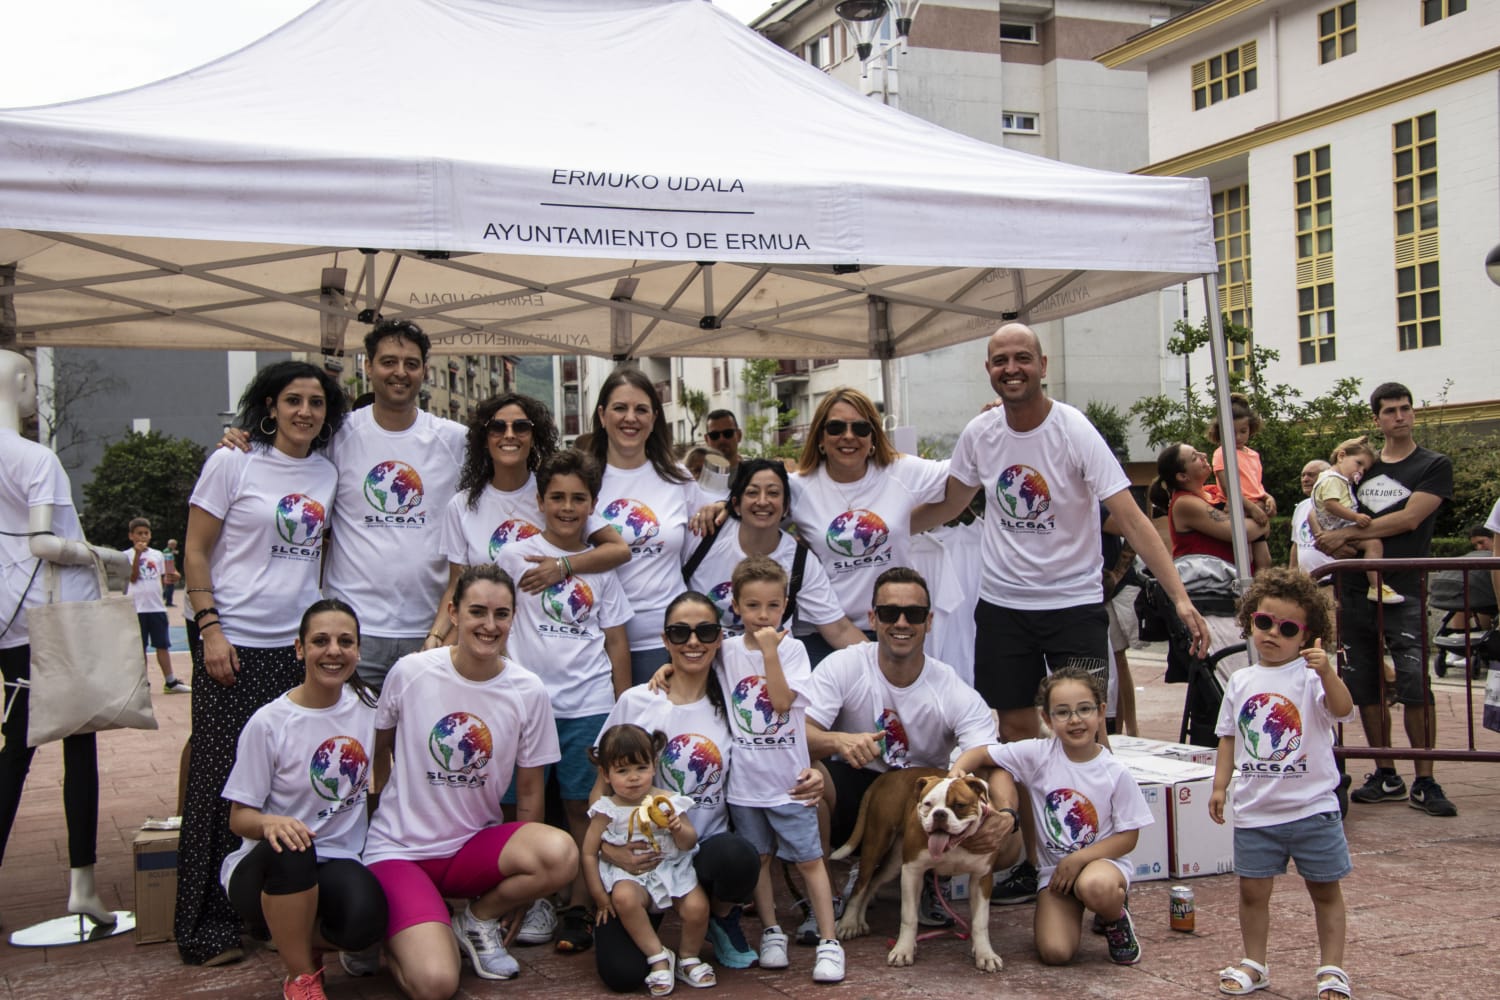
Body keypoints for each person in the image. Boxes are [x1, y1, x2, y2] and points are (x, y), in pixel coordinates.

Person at [914, 324, 1207, 898]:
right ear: (989, 370)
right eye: (1001, 360)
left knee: (1087, 732)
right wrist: (885, 526)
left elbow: (1129, 515)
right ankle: (1030, 854)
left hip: (1073, 602)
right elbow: (952, 500)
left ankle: (1098, 853)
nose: (1012, 368)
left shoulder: (1073, 429)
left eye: (1022, 358)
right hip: (1002, 605)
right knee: (1017, 730)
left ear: (1043, 365)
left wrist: (1180, 595)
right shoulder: (980, 434)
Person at [177, 360, 345, 966]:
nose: (305, 411)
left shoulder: (327, 472)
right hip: (233, 646)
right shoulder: (233, 462)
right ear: (269, 406)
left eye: (317, 403)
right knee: (218, 784)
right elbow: (195, 551)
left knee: (281, 786)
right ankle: (203, 927)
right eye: (293, 400)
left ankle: (267, 908)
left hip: (294, 651)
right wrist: (210, 629)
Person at [362, 565, 578, 996]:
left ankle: (476, 920)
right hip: (401, 852)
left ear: (514, 617)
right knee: (437, 983)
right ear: (453, 613)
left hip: (470, 850)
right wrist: (382, 806)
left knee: (561, 853)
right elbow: (378, 747)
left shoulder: (528, 690)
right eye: (477, 611)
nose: (489, 625)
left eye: (502, 614)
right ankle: (388, 934)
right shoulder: (410, 672)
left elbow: (531, 791)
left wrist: (517, 898)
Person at [220, 320, 469, 692]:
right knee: (351, 746)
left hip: (428, 631)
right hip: (352, 632)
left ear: (425, 371)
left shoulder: (456, 440)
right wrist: (246, 437)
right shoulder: (336, 434)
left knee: (417, 749)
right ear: (367, 367)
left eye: (411, 363)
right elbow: (285, 456)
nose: (400, 372)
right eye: (388, 362)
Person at [593, 592, 823, 985]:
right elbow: (599, 791)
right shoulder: (638, 701)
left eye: (705, 631)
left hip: (702, 850)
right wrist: (608, 849)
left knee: (740, 857)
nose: (693, 642)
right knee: (624, 977)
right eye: (679, 633)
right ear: (665, 641)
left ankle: (718, 916)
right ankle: (658, 943)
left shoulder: (732, 703)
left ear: (720, 639)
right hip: (642, 857)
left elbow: (781, 740)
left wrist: (815, 769)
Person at [805, 567, 1013, 924]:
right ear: (872, 617)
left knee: (1010, 843)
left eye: (914, 614)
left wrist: (1008, 816)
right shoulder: (844, 665)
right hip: (855, 783)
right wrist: (837, 739)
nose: (901, 623)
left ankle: (933, 874)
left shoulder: (949, 685)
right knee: (810, 776)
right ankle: (823, 897)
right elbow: (795, 734)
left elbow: (995, 758)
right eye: (889, 613)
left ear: (929, 621)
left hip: (927, 795)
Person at [0, 349, 126, 930]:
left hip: (9, 623)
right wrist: (107, 556)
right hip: (57, 621)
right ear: (22, 382)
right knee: (77, 749)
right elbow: (44, 544)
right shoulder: (35, 458)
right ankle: (82, 882)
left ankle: (83, 884)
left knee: (14, 754)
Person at [494, 448, 631, 953]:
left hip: (589, 704)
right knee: (516, 810)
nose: (567, 508)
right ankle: (523, 903)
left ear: (592, 505)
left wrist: (619, 707)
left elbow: (615, 640)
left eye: (578, 499)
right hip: (526, 707)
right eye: (557, 498)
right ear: (540, 500)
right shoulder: (515, 556)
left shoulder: (600, 569)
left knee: (582, 808)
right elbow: (500, 626)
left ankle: (578, 906)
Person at [220, 600, 387, 1000]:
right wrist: (269, 822)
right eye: (320, 641)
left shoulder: (369, 709)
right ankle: (301, 977)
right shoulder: (269, 723)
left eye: (345, 641)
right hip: (267, 866)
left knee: (366, 924)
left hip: (337, 858)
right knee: (294, 843)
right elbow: (239, 818)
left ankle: (297, 933)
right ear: (299, 649)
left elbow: (384, 767)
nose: (334, 651)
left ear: (358, 651)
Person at [1209, 568, 1355, 1000]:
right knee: (1252, 891)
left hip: (1312, 808)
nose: (1273, 633)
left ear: (1309, 636)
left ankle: (1332, 968)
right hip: (1256, 809)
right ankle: (1255, 962)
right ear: (1250, 619)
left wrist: (1327, 671)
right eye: (1264, 622)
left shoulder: (1310, 677)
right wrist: (1220, 786)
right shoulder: (1240, 679)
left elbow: (1343, 710)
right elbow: (1228, 737)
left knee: (1325, 890)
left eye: (1288, 628)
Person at [950, 666, 1152, 968]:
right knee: (1055, 953)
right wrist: (955, 774)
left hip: (1100, 866)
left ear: (1100, 712)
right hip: (1055, 876)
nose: (1075, 720)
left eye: (1084, 710)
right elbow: (982, 754)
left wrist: (1079, 859)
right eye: (1063, 712)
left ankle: (1115, 917)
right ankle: (1074, 908)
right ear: (1047, 719)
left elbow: (1129, 837)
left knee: (1095, 886)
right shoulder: (1039, 754)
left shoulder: (1114, 772)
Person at [1315, 382, 1454, 816]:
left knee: (1414, 683)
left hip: (1405, 588)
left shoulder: (1433, 464)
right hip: (1355, 588)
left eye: (1406, 408)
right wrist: (1332, 540)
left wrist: (1350, 533)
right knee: (1366, 685)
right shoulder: (1363, 468)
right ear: (1376, 419)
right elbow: (1325, 509)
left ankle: (1425, 778)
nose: (1400, 416)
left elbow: (1410, 519)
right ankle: (1386, 772)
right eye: (1390, 410)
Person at [718, 557, 843, 983]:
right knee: (759, 860)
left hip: (788, 783)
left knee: (810, 860)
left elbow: (782, 702)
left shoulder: (792, 649)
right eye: (752, 606)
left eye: (773, 605)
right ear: (735, 605)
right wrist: (664, 670)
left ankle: (829, 940)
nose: (763, 615)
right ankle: (772, 931)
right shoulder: (727, 650)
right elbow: (693, 670)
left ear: (786, 604)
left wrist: (770, 652)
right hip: (746, 785)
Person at [432, 393, 629, 664]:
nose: (509, 435)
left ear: (535, 436)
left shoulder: (556, 493)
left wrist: (562, 566)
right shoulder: (463, 505)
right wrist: (436, 637)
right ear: (484, 437)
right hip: (493, 646)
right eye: (498, 427)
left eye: (521, 427)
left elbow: (618, 550)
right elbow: (457, 584)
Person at [786, 387, 949, 664]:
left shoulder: (901, 472)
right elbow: (754, 510)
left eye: (860, 428)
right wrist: (719, 507)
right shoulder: (798, 487)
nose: (848, 436)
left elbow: (966, 474)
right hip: (821, 634)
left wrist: (994, 423)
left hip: (892, 626)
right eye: (836, 427)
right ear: (821, 438)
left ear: (873, 437)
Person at [588, 369, 715, 685]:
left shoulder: (678, 478)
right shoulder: (582, 479)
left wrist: (721, 506)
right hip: (593, 642)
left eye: (641, 409)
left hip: (667, 641)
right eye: (620, 408)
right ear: (602, 415)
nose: (630, 418)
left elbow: (711, 531)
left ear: (655, 418)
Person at [582, 724, 712, 995]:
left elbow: (689, 842)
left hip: (671, 869)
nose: (633, 778)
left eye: (641, 768)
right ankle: (658, 956)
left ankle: (688, 957)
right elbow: (588, 851)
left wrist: (678, 828)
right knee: (624, 898)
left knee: (697, 906)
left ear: (654, 766)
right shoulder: (607, 810)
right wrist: (599, 897)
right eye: (622, 771)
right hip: (629, 876)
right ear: (606, 774)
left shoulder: (668, 801)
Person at [684, 458, 865, 650]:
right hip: (700, 661)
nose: (762, 502)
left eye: (773, 493)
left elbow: (838, 629)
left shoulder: (800, 562)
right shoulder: (704, 534)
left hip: (768, 668)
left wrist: (880, 666)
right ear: (735, 504)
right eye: (752, 492)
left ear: (786, 506)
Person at [1148, 442, 1270, 660]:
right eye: (1194, 457)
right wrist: (1258, 518)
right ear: (1182, 476)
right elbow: (1240, 532)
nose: (1204, 456)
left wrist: (1258, 513)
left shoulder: (1214, 493)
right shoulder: (1185, 503)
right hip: (1214, 601)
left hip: (1242, 591)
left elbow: (1256, 519)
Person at [1312, 437, 1402, 606]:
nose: (1359, 471)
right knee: (1374, 544)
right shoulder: (1333, 479)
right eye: (1358, 463)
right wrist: (1355, 517)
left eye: (1364, 469)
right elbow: (1331, 504)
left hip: (1335, 527)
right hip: (1338, 526)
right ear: (1341, 456)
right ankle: (1377, 586)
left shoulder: (1332, 478)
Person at [1205, 392, 1275, 574]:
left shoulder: (1253, 454)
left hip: (1254, 506)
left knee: (1265, 560)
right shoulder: (1222, 452)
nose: (1238, 437)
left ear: (1251, 428)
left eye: (1243, 431)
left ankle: (1260, 597)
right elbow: (1227, 486)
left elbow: (1255, 484)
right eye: (1232, 432)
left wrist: (1268, 498)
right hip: (1238, 507)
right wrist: (1251, 507)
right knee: (1245, 558)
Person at [122, 516, 189, 693]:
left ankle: (170, 681)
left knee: (162, 645)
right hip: (137, 608)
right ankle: (142, 683)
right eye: (139, 534)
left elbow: (168, 573)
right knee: (140, 648)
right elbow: (133, 577)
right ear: (131, 536)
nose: (142, 537)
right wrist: (137, 554)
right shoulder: (126, 556)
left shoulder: (157, 555)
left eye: (146, 533)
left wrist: (175, 575)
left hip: (156, 607)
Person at [1288, 460, 1330, 575]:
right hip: (1305, 584)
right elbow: (1296, 545)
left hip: (1331, 581)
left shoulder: (1337, 506)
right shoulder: (1301, 507)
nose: (1305, 479)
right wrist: (1292, 576)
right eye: (1303, 475)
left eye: (1311, 475)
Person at [703, 410, 743, 482]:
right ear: (706, 440)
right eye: (714, 435)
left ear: (739, 435)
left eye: (728, 433)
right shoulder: (698, 477)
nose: (721, 440)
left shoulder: (754, 474)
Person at [161, 537, 181, 607]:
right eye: (174, 545)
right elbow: (168, 564)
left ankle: (164, 597)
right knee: (170, 587)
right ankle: (168, 602)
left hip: (168, 571)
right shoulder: (167, 552)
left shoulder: (168, 551)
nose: (175, 546)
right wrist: (173, 572)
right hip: (169, 572)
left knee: (168, 586)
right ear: (170, 545)